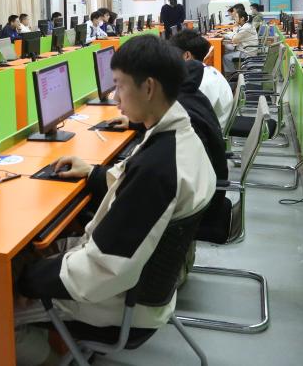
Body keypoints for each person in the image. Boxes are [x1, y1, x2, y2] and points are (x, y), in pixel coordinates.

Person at [14, 36, 215, 364]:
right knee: (37, 253)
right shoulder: (179, 138)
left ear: (148, 87)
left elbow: (103, 269)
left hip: (119, 301)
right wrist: (93, 173)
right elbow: (129, 181)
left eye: (120, 86)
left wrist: (28, 282)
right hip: (145, 284)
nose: (115, 97)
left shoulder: (157, 170)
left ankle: (52, 358)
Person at [170, 29, 233, 129]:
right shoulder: (209, 71)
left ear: (187, 55)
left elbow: (183, 120)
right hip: (214, 126)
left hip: (208, 133)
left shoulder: (198, 84)